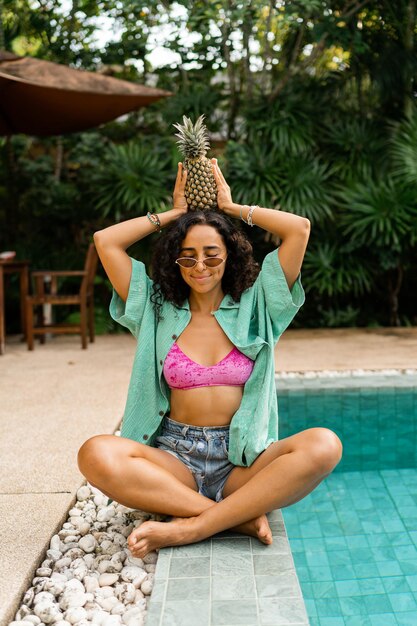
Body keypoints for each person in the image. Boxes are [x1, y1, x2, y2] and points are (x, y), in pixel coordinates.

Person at [77, 158, 342, 558]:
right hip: (173, 460)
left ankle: (192, 527)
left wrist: (230, 209)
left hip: (243, 461)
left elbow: (298, 228)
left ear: (230, 255)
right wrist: (176, 214)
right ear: (175, 260)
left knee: (325, 445)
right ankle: (233, 518)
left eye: (212, 255)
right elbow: (105, 241)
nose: (200, 266)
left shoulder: (259, 303)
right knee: (95, 453)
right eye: (188, 256)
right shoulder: (155, 307)